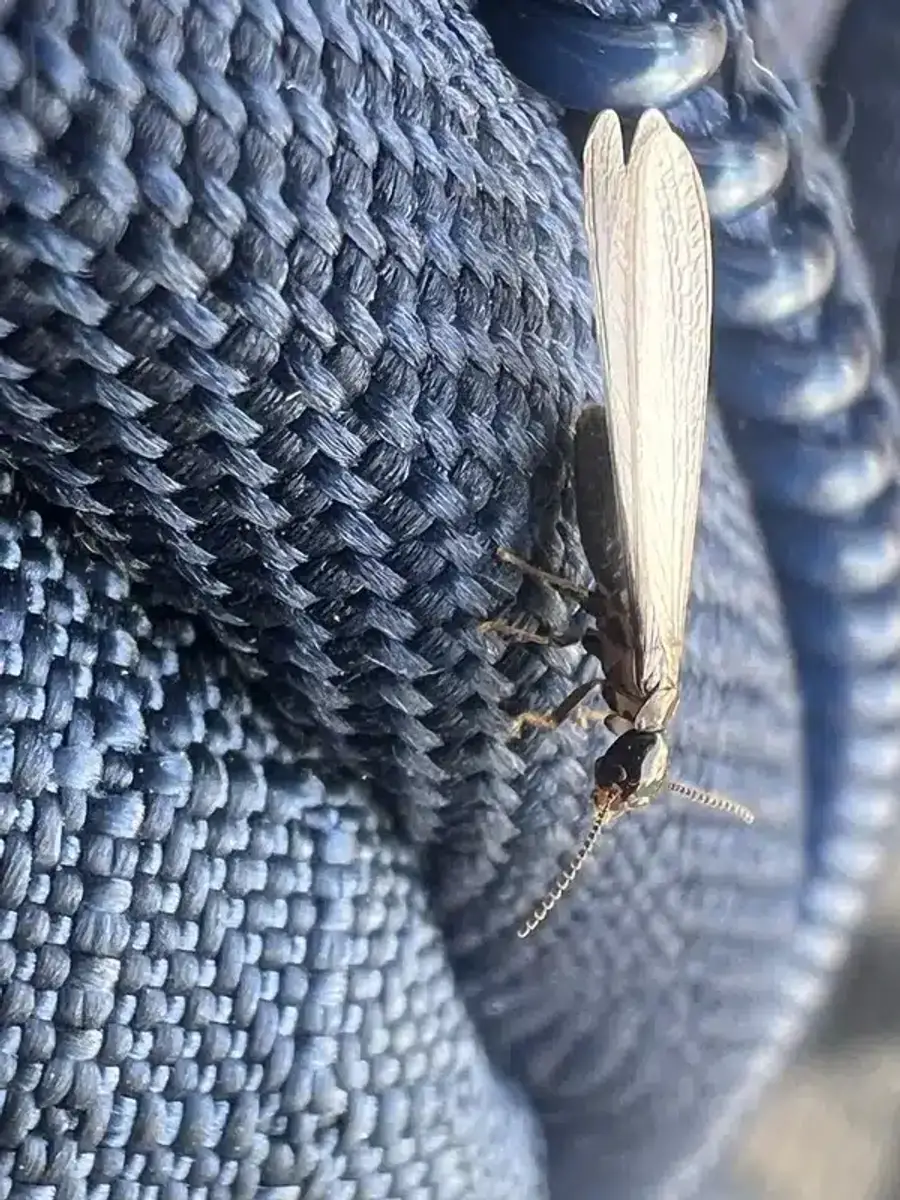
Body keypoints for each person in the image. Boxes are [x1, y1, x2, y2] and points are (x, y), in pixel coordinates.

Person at [0, 1, 892, 1197]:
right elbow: (565, 605)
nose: (601, 770)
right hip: (595, 455)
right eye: (617, 771)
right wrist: (540, 631)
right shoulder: (630, 678)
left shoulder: (633, 688)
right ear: (624, 741)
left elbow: (577, 616)